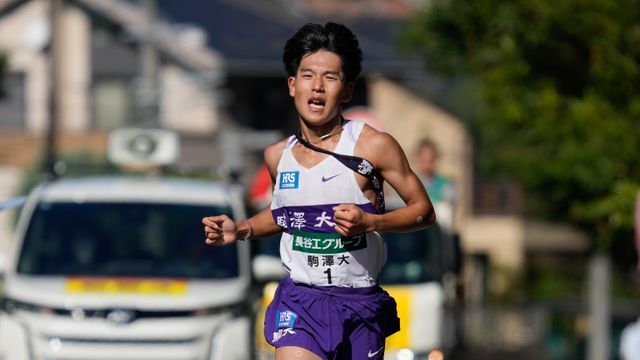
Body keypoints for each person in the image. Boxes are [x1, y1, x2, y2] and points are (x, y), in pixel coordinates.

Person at [203, 22, 435, 360]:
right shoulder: (276, 156)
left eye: (330, 78)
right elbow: (285, 215)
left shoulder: (373, 146)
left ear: (347, 90)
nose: (318, 87)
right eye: (308, 76)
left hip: (358, 302)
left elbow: (423, 211)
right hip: (301, 300)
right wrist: (239, 229)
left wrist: (371, 224)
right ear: (292, 85)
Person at [414, 139, 456, 231]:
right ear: (417, 159)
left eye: (430, 160)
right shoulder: (411, 183)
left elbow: (448, 209)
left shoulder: (446, 183)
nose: (427, 164)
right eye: (424, 160)